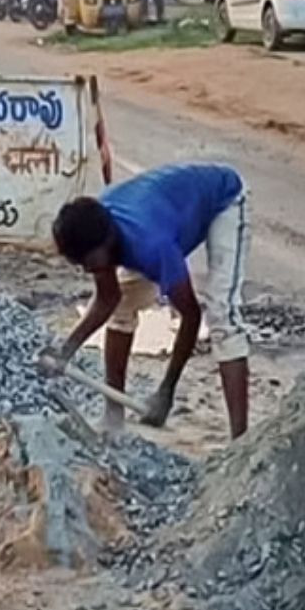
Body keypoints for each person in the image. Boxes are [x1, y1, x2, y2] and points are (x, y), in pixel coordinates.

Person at [49, 163, 251, 440]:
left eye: (89, 262)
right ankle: (113, 416)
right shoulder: (95, 229)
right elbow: (108, 299)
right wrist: (65, 351)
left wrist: (165, 392)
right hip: (163, 210)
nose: (86, 270)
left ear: (106, 244)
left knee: (222, 318)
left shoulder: (153, 247)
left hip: (222, 199)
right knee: (122, 309)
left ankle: (241, 442)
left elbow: (191, 317)